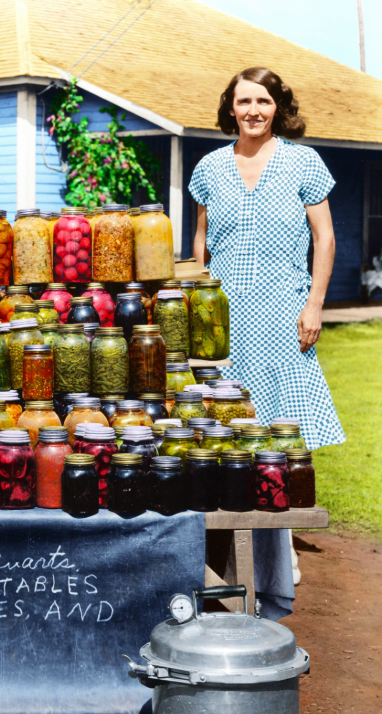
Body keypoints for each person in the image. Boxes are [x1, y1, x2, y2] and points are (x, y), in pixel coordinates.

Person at [189, 66, 345, 451]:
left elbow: (324, 238)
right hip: (224, 315)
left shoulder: (303, 161)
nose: (254, 110)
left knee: (286, 434)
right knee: (224, 420)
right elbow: (201, 242)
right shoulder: (209, 167)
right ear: (231, 108)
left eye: (264, 101)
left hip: (284, 309)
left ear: (278, 108)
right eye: (244, 101)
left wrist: (315, 306)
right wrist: (199, 307)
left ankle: (284, 503)